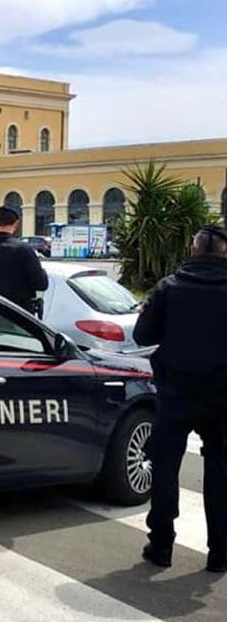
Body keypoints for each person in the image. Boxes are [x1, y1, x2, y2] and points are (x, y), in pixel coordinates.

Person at [134, 225, 227, 573]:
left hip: (176, 393)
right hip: (223, 396)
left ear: (193, 251)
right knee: (220, 470)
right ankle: (220, 552)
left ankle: (161, 546)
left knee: (166, 468)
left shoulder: (168, 288)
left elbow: (143, 334)